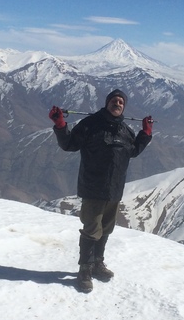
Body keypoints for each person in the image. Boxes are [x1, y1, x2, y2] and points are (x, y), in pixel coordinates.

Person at [49, 89, 153, 292]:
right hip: (93, 188)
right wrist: (60, 125)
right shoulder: (90, 125)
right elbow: (69, 144)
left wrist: (145, 134)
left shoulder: (124, 130)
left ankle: (97, 264)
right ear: (107, 103)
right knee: (91, 230)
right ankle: (84, 271)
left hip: (114, 190)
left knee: (106, 229)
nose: (118, 103)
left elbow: (132, 152)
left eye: (121, 101)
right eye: (114, 100)